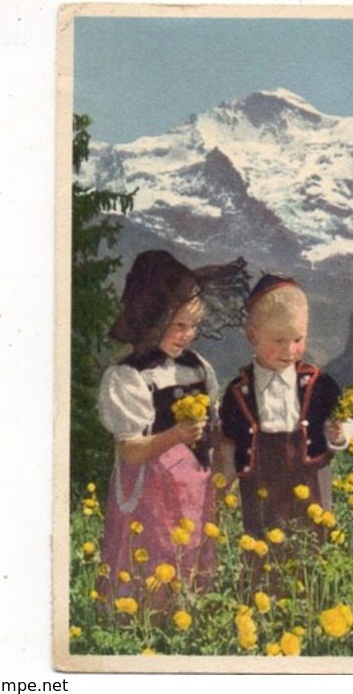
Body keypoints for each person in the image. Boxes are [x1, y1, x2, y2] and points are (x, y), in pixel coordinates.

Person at [97, 249, 248, 603]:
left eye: (193, 326)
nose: (188, 335)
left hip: (195, 485)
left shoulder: (198, 367)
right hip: (151, 490)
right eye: (179, 326)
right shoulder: (130, 376)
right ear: (152, 318)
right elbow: (130, 450)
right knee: (152, 556)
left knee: (193, 553)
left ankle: (189, 618)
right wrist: (175, 436)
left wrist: (224, 471)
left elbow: (215, 425)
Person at [220, 275, 353, 539]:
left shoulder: (319, 383)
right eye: (279, 341)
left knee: (312, 542)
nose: (290, 350)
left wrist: (339, 435)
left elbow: (341, 419)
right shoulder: (237, 392)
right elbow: (228, 443)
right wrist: (224, 483)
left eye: (297, 339)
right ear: (252, 336)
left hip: (309, 476)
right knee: (263, 545)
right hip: (260, 480)